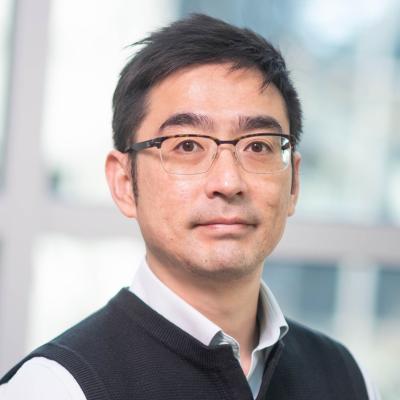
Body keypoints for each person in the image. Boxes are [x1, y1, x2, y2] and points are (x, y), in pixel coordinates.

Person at [0, 13, 379, 400]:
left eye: (258, 146)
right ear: (124, 182)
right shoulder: (56, 387)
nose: (228, 183)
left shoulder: (347, 377)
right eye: (186, 145)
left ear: (294, 183)